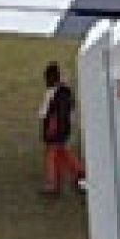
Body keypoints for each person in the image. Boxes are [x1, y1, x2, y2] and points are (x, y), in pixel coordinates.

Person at [39, 62, 85, 196]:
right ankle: (79, 172)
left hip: (56, 129)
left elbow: (50, 113)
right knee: (62, 152)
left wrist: (51, 128)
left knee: (51, 155)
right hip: (63, 128)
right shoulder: (65, 91)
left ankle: (52, 184)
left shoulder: (55, 93)